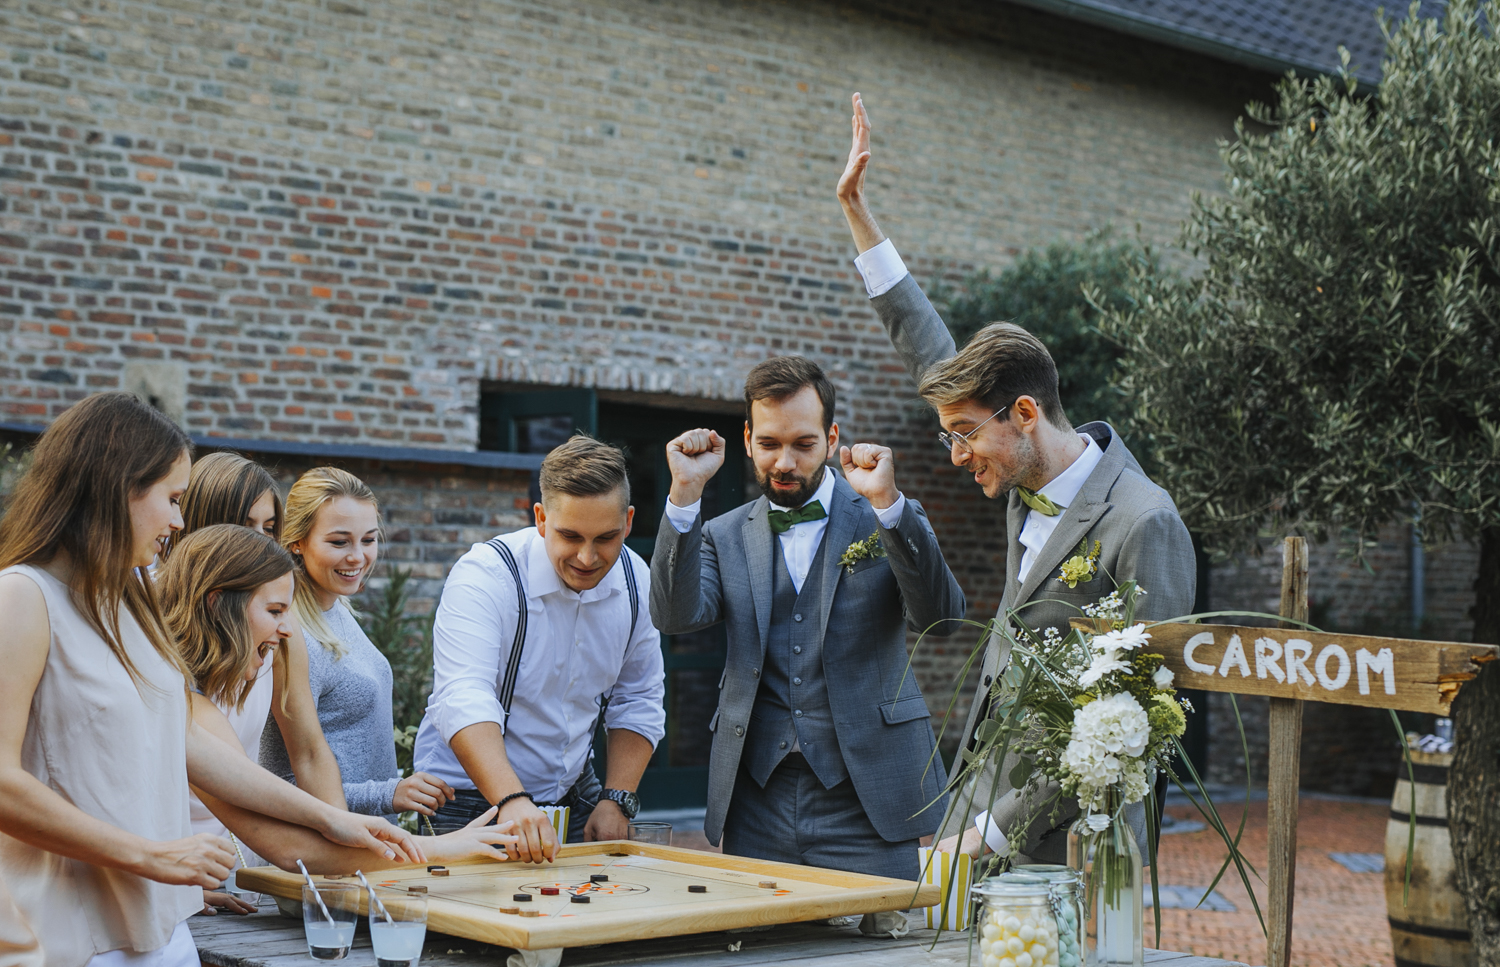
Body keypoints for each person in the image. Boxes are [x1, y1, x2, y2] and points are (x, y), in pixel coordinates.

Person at [834, 93, 1197, 863]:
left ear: (1025, 411)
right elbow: (929, 352)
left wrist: (990, 834)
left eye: (967, 436)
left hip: (1074, 838)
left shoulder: (1144, 521)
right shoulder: (1025, 475)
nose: (957, 455)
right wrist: (857, 211)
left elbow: (1135, 716)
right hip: (979, 787)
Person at [0, 392, 421, 967]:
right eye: (171, 499)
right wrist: (150, 856)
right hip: (72, 957)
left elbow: (189, 748)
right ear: (117, 488)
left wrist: (332, 818)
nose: (179, 521)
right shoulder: (22, 596)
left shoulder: (130, 604)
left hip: (167, 946)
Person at [651, 355, 965, 889]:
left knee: (879, 961)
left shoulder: (880, 513)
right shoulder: (721, 534)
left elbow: (942, 617)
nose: (784, 463)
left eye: (803, 444)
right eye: (770, 444)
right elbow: (675, 616)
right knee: (759, 957)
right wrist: (684, 497)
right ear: (747, 439)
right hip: (758, 799)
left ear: (832, 436)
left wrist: (888, 504)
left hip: (869, 798)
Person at [162, 524, 519, 876]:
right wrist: (440, 848)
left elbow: (262, 789)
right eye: (274, 611)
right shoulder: (178, 698)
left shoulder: (189, 694)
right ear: (217, 603)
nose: (288, 629)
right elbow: (289, 846)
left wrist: (341, 822)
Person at [414, 435, 665, 862]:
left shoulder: (637, 581)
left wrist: (617, 797)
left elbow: (638, 696)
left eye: (605, 537)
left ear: (628, 522)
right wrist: (512, 799)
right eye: (570, 536)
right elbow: (464, 697)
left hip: (574, 790)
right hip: (469, 799)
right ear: (541, 518)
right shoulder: (486, 576)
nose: (587, 557)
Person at [166, 454, 346, 900]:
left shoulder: (279, 627)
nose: (257, 542)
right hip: (167, 852)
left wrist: (343, 851)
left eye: (269, 530)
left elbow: (308, 749)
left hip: (242, 851)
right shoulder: (153, 623)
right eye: (243, 525)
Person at [259, 467, 453, 821]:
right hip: (314, 857)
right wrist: (388, 793)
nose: (358, 557)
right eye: (339, 542)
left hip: (362, 848)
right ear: (296, 542)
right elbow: (280, 783)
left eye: (368, 540)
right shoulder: (288, 633)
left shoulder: (337, 607)